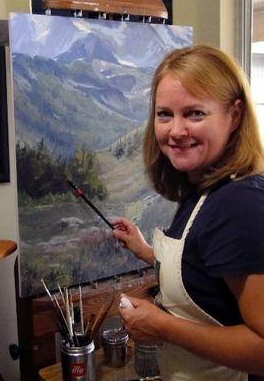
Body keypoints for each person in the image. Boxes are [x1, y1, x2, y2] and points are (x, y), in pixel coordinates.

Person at [112, 45, 264, 381]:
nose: (176, 131)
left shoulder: (237, 203)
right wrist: (147, 252)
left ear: (234, 115)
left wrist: (163, 327)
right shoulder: (202, 188)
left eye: (195, 113)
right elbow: (212, 277)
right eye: (165, 114)